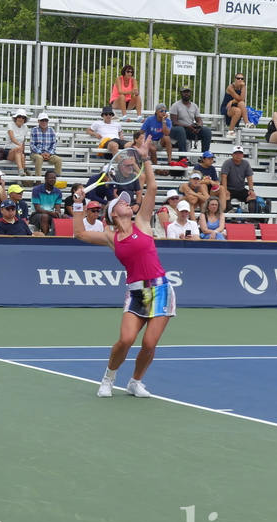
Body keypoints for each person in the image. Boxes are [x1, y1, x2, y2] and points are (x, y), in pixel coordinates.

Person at [72, 137, 174, 399]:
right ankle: (108, 378)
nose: (126, 202)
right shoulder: (111, 237)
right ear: (113, 215)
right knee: (126, 341)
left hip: (161, 289)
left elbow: (152, 186)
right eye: (121, 202)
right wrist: (77, 204)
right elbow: (80, 234)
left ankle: (135, 382)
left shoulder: (142, 221)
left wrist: (145, 157)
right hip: (136, 293)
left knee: (150, 343)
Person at [169, 86, 212, 153]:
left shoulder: (194, 106)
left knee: (207, 131)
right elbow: (174, 122)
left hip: (190, 129)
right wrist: (187, 126)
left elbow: (199, 120)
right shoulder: (175, 106)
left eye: (188, 92)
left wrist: (198, 127)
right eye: (185, 92)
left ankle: (205, 155)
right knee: (181, 130)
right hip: (178, 130)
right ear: (181, 93)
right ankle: (183, 157)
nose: (186, 94)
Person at [219, 145, 256, 213]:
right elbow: (223, 176)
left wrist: (251, 189)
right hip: (229, 188)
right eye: (236, 153)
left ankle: (252, 217)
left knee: (252, 197)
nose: (238, 155)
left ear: (243, 155)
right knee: (225, 197)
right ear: (232, 155)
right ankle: (229, 214)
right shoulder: (228, 163)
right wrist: (225, 189)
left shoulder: (246, 163)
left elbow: (249, 177)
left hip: (241, 189)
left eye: (240, 153)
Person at [29, 170, 65, 235]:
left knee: (65, 217)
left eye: (54, 178)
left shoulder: (58, 192)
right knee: (45, 216)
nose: (53, 179)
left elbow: (57, 207)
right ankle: (46, 238)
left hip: (50, 214)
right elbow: (38, 209)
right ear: (45, 179)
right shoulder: (36, 190)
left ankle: (61, 238)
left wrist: (57, 212)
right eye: (50, 178)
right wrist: (51, 213)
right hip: (36, 214)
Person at [30, 112, 63, 177]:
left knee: (59, 159)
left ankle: (57, 179)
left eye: (46, 120)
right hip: (36, 153)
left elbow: (54, 144)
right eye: (42, 120)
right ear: (38, 121)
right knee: (39, 158)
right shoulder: (34, 130)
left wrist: (49, 153)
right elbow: (32, 145)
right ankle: (38, 179)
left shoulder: (51, 130)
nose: (44, 122)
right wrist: (40, 153)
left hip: (48, 154)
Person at [220, 73, 250, 138]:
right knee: (238, 110)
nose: (240, 80)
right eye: (238, 78)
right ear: (235, 79)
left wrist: (232, 101)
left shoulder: (243, 87)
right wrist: (231, 101)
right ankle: (230, 131)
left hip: (236, 105)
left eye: (242, 79)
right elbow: (239, 98)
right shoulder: (230, 87)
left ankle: (247, 123)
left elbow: (242, 99)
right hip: (227, 107)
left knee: (241, 103)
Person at [4, 108, 29, 178]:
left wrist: (22, 150)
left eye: (23, 117)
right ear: (16, 118)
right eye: (19, 117)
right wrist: (19, 145)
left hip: (18, 150)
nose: (21, 119)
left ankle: (20, 176)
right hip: (9, 150)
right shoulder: (11, 125)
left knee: (22, 155)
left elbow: (23, 141)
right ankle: (21, 171)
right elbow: (12, 138)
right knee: (17, 150)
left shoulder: (25, 127)